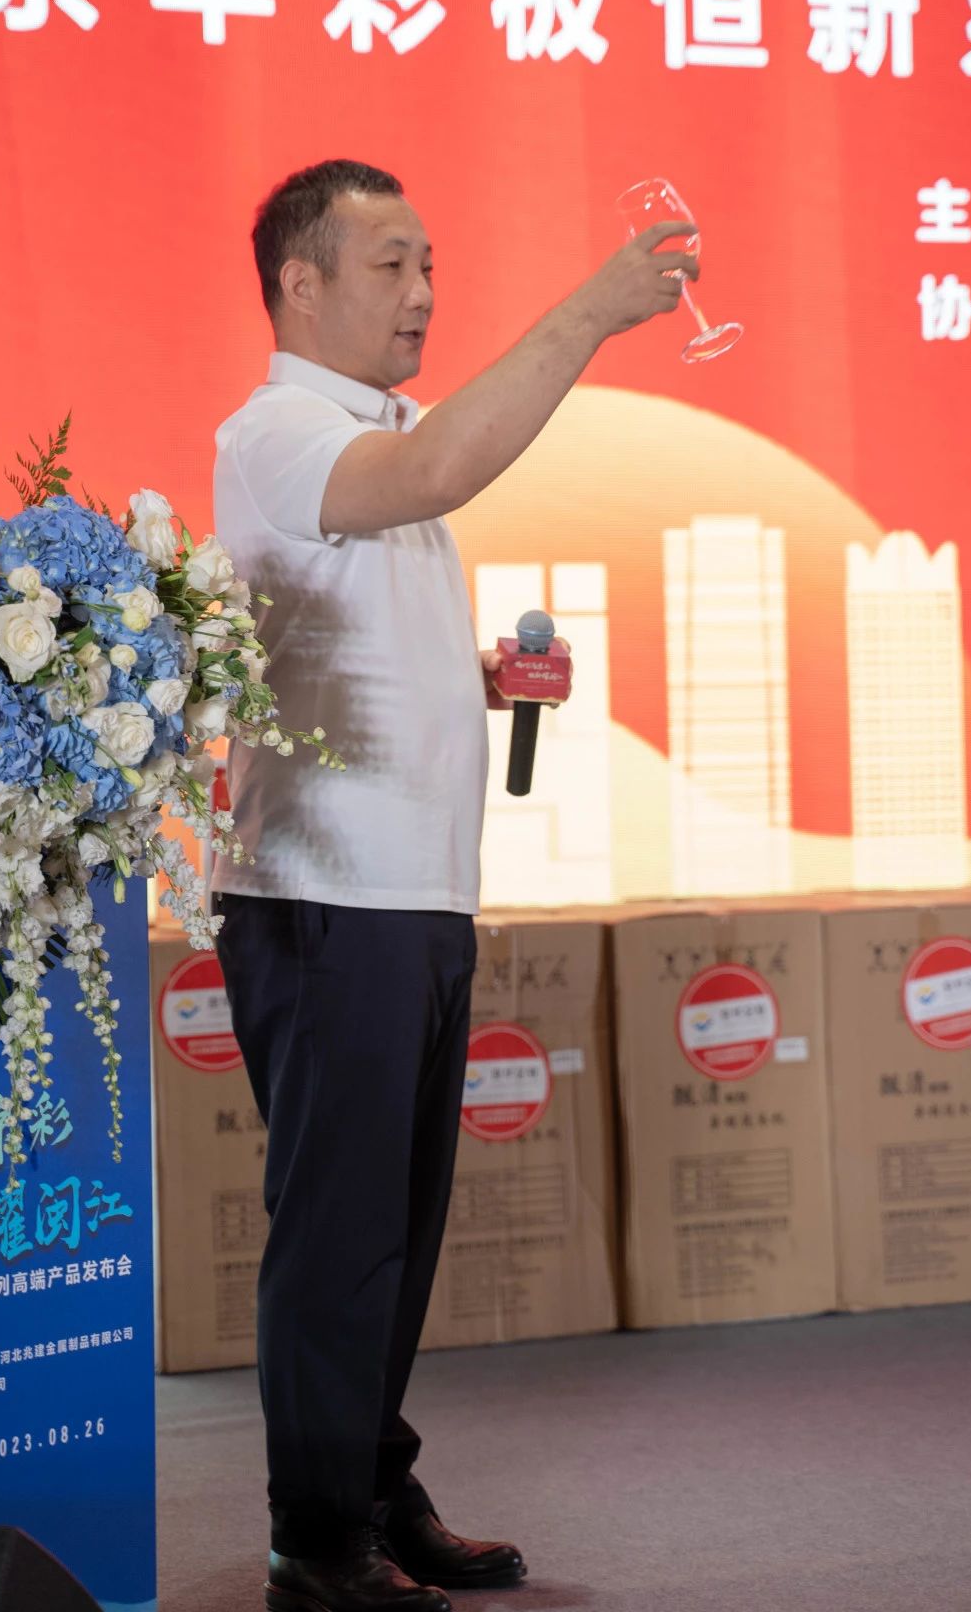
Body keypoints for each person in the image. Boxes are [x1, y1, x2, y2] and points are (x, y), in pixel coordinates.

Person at [212, 158, 699, 1612]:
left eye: (430, 266)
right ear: (300, 283)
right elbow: (432, 477)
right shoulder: (279, 431)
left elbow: (340, 632)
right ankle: (317, 1541)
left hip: (412, 895)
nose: (423, 294)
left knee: (398, 1229)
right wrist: (592, 311)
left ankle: (370, 1490)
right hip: (327, 896)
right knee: (340, 1233)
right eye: (391, 266)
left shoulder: (379, 435)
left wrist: (476, 679)